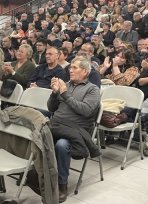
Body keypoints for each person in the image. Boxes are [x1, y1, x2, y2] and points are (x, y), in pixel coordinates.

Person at [48, 57, 100, 203]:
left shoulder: (92, 89)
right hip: (57, 125)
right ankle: (40, 176)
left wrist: (65, 94)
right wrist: (54, 93)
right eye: (70, 67)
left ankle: (62, 185)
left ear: (85, 71)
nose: (70, 70)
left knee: (62, 145)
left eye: (74, 68)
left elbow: (86, 111)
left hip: (75, 130)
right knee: (37, 136)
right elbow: (51, 108)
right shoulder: (66, 85)